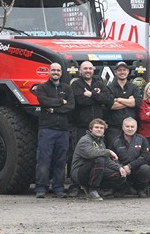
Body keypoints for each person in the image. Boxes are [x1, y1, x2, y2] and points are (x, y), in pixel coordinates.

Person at [33, 62, 75, 198]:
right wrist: (60, 102)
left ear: (61, 73)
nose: (56, 72)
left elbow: (71, 106)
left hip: (63, 130)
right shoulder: (42, 87)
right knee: (43, 159)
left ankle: (58, 188)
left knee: (60, 160)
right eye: (53, 70)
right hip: (47, 129)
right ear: (49, 72)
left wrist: (54, 109)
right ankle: (41, 188)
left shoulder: (67, 88)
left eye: (58, 70)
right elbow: (43, 101)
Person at [69, 61, 111, 197]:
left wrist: (91, 95)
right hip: (81, 126)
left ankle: (93, 185)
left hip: (98, 129)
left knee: (98, 155)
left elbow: (107, 98)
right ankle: (74, 186)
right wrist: (96, 97)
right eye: (85, 68)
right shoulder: (76, 84)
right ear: (80, 71)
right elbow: (79, 100)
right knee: (76, 156)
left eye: (90, 68)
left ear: (93, 70)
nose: (88, 71)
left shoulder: (99, 83)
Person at [71, 118, 126, 201]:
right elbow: (91, 153)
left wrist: (119, 168)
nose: (99, 130)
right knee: (99, 159)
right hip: (80, 172)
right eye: (96, 127)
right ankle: (92, 189)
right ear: (90, 129)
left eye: (101, 128)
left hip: (95, 170)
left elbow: (107, 161)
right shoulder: (85, 140)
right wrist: (108, 151)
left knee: (119, 175)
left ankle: (100, 189)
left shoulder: (100, 141)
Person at [110, 117, 150, 198]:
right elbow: (112, 158)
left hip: (136, 168)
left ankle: (141, 189)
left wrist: (130, 166)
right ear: (123, 127)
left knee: (145, 169)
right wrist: (121, 167)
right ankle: (121, 189)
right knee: (110, 169)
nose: (130, 129)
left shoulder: (142, 139)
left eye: (132, 127)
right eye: (127, 126)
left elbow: (145, 157)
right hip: (121, 169)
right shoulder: (115, 140)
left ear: (136, 128)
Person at [105, 61, 142, 148]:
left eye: (124, 70)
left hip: (131, 128)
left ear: (128, 71)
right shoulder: (109, 88)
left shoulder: (134, 87)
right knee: (113, 152)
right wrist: (129, 102)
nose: (122, 72)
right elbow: (111, 105)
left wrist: (119, 99)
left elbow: (137, 103)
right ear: (115, 72)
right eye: (120, 70)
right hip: (114, 128)